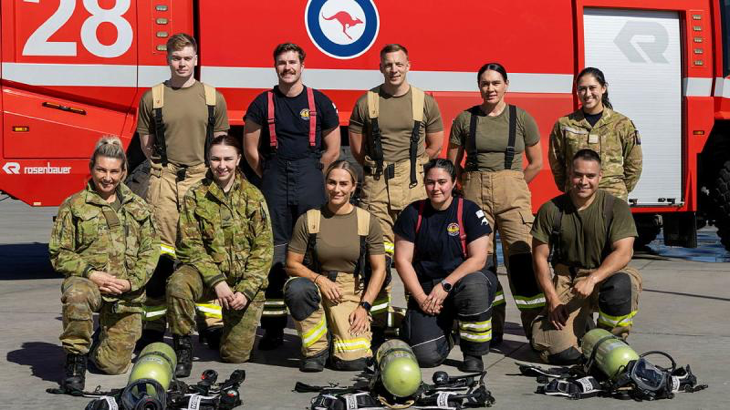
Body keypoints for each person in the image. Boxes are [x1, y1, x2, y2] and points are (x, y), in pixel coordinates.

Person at [243, 43, 341, 349]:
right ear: (275, 67)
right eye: (282, 63)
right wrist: (269, 176)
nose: (287, 67)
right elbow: (250, 150)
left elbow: (334, 149)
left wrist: (314, 175)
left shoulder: (320, 102)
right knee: (276, 255)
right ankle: (273, 328)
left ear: (302, 65)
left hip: (310, 179)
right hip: (274, 179)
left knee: (315, 251)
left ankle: (322, 322)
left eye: (292, 62)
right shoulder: (263, 103)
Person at [136, 33, 230, 346]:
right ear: (168, 60)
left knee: (204, 250)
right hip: (164, 180)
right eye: (177, 58)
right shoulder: (154, 97)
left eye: (188, 58)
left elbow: (220, 145)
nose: (182, 64)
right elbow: (146, 143)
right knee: (161, 256)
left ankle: (211, 322)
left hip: (200, 179)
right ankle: (154, 324)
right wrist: (164, 172)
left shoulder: (213, 97)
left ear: (196, 59)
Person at [49, 136, 159, 391]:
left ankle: (100, 341)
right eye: (101, 169)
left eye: (113, 171)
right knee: (76, 294)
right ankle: (75, 360)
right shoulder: (74, 206)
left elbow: (151, 250)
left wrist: (132, 282)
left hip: (126, 291)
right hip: (90, 284)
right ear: (91, 168)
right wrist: (91, 274)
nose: (107, 177)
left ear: (123, 172)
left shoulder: (139, 207)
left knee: (113, 366)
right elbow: (59, 253)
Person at [349, 43, 445, 334]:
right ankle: (377, 325)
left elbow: (435, 143)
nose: (394, 69)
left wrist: (414, 167)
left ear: (409, 66)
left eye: (399, 64)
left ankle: (421, 319)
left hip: (413, 188)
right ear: (381, 68)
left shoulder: (424, 101)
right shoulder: (367, 101)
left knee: (417, 258)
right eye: (388, 64)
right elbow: (357, 148)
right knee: (376, 258)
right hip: (376, 188)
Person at [447, 62, 544, 344]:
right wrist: (468, 186)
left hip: (512, 193)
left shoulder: (522, 118)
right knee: (482, 266)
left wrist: (514, 183)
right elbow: (453, 165)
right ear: (479, 87)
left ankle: (538, 332)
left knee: (523, 262)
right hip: (475, 195)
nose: (490, 88)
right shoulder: (465, 119)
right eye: (485, 83)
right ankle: (489, 329)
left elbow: (536, 163)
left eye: (495, 83)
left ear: (506, 85)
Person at [166, 135, 273, 377]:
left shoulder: (253, 197)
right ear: (208, 161)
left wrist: (245, 291)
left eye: (227, 158)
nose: (221, 165)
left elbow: (263, 250)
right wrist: (217, 282)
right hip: (206, 278)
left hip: (241, 283)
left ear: (238, 160)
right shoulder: (195, 195)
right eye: (215, 159)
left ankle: (222, 333)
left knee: (235, 356)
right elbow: (189, 245)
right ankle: (183, 349)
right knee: (178, 284)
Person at [531, 149, 642, 364]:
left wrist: (593, 279)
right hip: (568, 281)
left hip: (605, 276)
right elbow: (539, 258)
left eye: (590, 176)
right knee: (560, 354)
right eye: (578, 175)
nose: (583, 181)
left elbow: (624, 252)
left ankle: (612, 337)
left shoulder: (616, 207)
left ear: (600, 177)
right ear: (569, 174)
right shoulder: (551, 210)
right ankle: (582, 328)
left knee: (621, 286)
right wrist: (553, 300)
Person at [283, 160, 387, 372]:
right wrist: (319, 280)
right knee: (297, 289)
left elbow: (380, 269)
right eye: (332, 183)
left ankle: (334, 336)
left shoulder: (367, 221)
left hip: (350, 290)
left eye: (343, 184)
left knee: (352, 362)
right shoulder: (309, 219)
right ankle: (316, 351)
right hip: (318, 285)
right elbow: (292, 264)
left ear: (353, 186)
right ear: (325, 184)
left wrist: (364, 306)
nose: (336, 189)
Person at [393, 159, 496, 372]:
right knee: (424, 356)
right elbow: (402, 260)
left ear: (454, 182)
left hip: (460, 284)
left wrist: (446, 285)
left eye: (442, 182)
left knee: (475, 286)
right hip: (429, 292)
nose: (436, 188)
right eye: (430, 182)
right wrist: (421, 298)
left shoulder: (469, 210)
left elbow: (479, 259)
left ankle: (473, 353)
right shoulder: (413, 213)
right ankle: (449, 334)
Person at [548, 67, 642, 202]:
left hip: (612, 198)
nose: (587, 94)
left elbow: (634, 163)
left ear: (603, 88)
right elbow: (556, 162)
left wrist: (620, 189)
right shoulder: (565, 125)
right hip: (577, 197)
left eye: (592, 88)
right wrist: (570, 186)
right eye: (582, 89)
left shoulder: (622, 124)